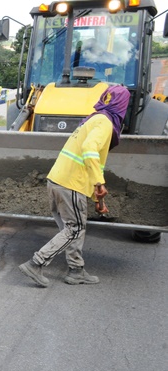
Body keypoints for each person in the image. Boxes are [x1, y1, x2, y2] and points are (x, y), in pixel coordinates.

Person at [17, 85, 130, 287]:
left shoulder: (94, 118)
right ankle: (36, 264)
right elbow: (89, 149)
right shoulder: (104, 123)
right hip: (70, 185)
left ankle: (76, 270)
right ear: (122, 105)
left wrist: (97, 199)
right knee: (75, 229)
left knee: (71, 230)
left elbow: (92, 161)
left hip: (58, 181)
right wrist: (99, 182)